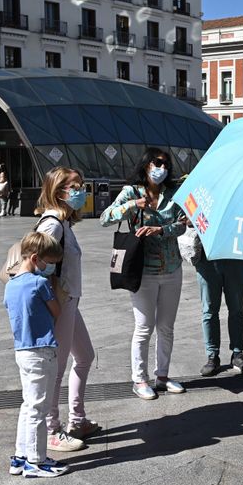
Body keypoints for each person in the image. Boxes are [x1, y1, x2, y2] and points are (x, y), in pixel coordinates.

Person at [100, 148, 189, 400]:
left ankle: (162, 376)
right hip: (143, 270)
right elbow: (105, 218)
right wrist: (132, 205)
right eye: (157, 163)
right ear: (146, 165)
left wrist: (161, 229)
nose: (162, 168)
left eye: (165, 164)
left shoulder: (173, 194)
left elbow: (182, 226)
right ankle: (139, 379)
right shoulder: (132, 191)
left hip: (172, 267)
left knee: (166, 327)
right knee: (143, 326)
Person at [35, 167, 98, 451]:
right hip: (58, 303)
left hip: (70, 300)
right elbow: (34, 262)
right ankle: (52, 430)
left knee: (85, 356)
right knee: (56, 369)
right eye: (75, 186)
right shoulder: (53, 225)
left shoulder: (64, 223)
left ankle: (78, 419)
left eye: (81, 185)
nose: (81, 190)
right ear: (59, 190)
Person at [4, 232, 69, 478]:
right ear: (35, 258)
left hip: (22, 349)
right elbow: (57, 310)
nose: (51, 268)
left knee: (27, 405)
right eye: (49, 262)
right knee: (38, 409)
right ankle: (36, 461)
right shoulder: (40, 283)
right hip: (42, 350)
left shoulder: (10, 285)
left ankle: (21, 457)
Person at [195, 251, 243, 376]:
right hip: (207, 259)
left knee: (237, 309)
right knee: (209, 311)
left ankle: (237, 354)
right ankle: (212, 356)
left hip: (236, 257)